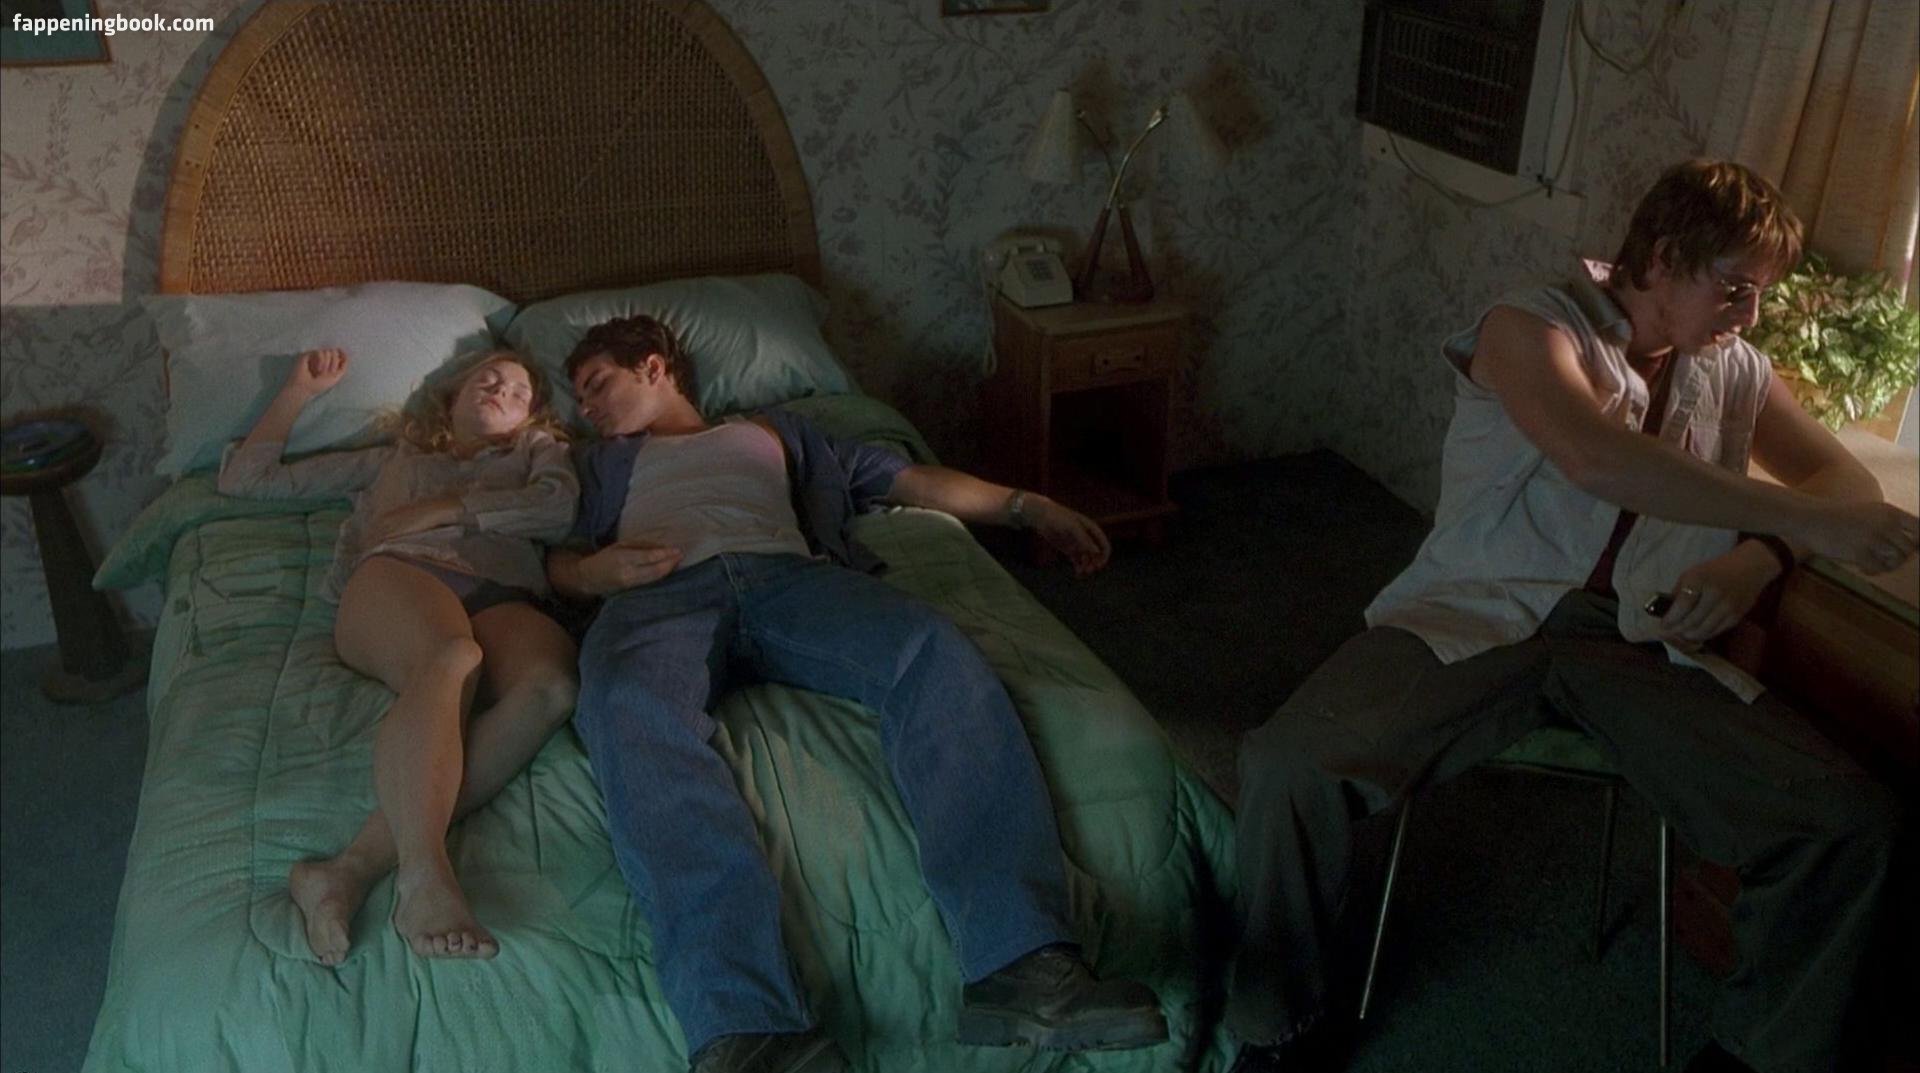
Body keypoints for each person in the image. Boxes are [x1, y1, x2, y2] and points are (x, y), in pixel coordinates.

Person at [1227, 159, 1916, 1073]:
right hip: (1479, 609)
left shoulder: (1736, 370)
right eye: (1735, 289)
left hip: (1639, 639)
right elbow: (1596, 456)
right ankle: (1278, 1023)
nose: (1750, 316)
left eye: (1761, 294)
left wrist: (1760, 558)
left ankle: (1756, 1056)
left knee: (1850, 819)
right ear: (1662, 257)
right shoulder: (1532, 325)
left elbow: (1848, 481)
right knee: (1289, 763)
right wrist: (1802, 520)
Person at [548, 314, 1162, 1073]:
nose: (587, 409)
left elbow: (907, 479)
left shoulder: (776, 432)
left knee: (931, 648)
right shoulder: (596, 463)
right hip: (657, 596)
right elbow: (550, 554)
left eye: (596, 385)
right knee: (625, 707)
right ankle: (747, 1026)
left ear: (652, 367)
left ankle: (1023, 966)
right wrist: (590, 574)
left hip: (789, 580)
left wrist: (1027, 505)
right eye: (579, 399)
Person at [218, 347, 581, 964]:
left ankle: (347, 871)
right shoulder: (393, 458)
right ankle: (424, 876)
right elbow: (244, 479)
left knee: (552, 687)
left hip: (504, 591)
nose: (502, 391)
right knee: (453, 656)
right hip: (400, 575)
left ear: (532, 416)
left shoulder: (537, 451)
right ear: (453, 394)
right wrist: (297, 392)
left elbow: (557, 507)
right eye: (489, 379)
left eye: (520, 392)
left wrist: (447, 508)